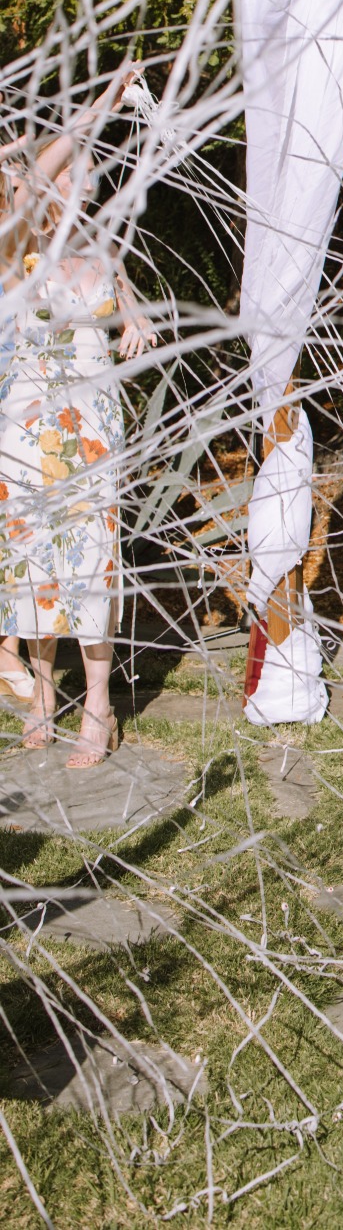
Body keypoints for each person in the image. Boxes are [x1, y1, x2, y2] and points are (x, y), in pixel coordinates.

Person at [0, 65, 157, 760]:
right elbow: (50, 156)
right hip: (28, 428)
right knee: (32, 562)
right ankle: (41, 694)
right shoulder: (14, 247)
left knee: (92, 559)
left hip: (92, 425)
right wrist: (107, 97)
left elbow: (133, 308)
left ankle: (97, 704)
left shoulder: (101, 249)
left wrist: (136, 322)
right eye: (61, 177)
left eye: (78, 180)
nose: (70, 187)